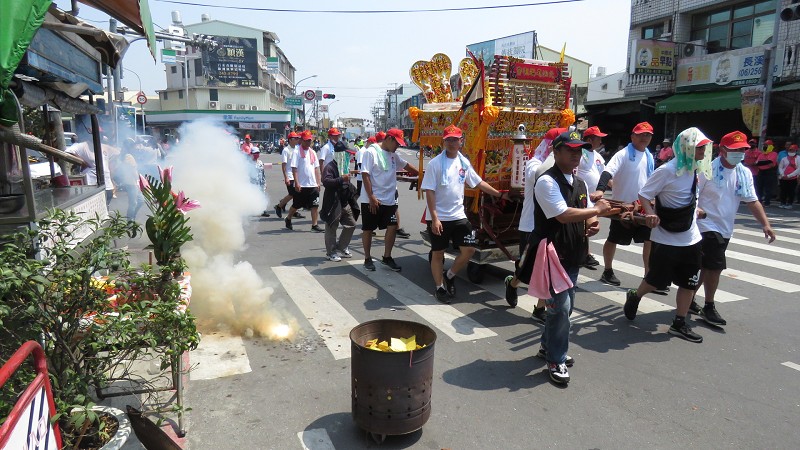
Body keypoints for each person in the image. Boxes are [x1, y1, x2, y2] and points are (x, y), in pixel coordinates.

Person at [505, 130, 610, 385]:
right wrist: (596, 210)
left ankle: (547, 348)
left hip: (573, 251)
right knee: (560, 308)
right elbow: (562, 214)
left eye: (579, 150)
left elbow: (585, 210)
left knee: (565, 307)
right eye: (570, 150)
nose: (576, 155)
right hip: (551, 254)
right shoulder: (546, 181)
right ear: (556, 151)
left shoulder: (580, 183)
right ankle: (555, 359)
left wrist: (593, 221)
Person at [624, 127, 712, 343]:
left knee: (689, 282)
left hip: (691, 238)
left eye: (704, 148)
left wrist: (696, 210)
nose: (704, 152)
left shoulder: (695, 169)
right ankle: (636, 295)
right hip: (666, 237)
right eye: (700, 148)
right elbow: (644, 195)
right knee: (656, 281)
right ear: (687, 148)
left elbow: (690, 197)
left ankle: (679, 322)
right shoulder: (667, 170)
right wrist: (651, 213)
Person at [693, 130, 775, 326]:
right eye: (735, 149)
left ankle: (688, 297)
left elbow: (752, 200)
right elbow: (693, 194)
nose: (740, 153)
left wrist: (765, 224)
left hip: (725, 226)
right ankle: (709, 306)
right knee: (715, 266)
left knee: (705, 267)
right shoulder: (707, 169)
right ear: (722, 149)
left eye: (743, 149)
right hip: (705, 225)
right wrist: (697, 211)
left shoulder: (743, 172)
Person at [421, 125, 505, 303]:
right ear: (443, 142)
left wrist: (499, 194)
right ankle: (439, 288)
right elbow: (429, 191)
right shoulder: (434, 164)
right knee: (438, 253)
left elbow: (477, 182)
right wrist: (434, 218)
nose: (452, 143)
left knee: (469, 250)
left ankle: (449, 275)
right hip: (439, 217)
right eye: (448, 139)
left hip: (458, 216)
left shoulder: (463, 162)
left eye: (455, 139)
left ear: (461, 141)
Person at [592, 122, 657, 290]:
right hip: (623, 207)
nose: (644, 138)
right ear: (632, 136)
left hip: (643, 206)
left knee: (649, 240)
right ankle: (607, 270)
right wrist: (600, 190)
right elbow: (608, 171)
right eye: (641, 134)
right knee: (613, 239)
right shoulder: (623, 154)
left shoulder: (649, 156)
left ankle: (648, 275)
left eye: (648, 135)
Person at [359, 128, 419, 271]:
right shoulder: (370, 152)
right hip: (372, 199)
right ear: (389, 139)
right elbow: (365, 175)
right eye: (397, 143)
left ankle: (387, 257)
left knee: (392, 226)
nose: (398, 147)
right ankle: (367, 258)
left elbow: (406, 165)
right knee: (368, 229)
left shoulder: (393, 155)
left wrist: (423, 174)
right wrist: (371, 197)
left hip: (389, 199)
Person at [321, 140, 360, 261]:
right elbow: (326, 181)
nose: (349, 156)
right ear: (340, 154)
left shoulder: (343, 165)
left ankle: (342, 247)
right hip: (333, 202)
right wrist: (340, 179)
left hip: (344, 201)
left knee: (351, 224)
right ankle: (331, 252)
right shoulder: (330, 167)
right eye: (347, 154)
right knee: (331, 226)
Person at [578, 126, 607, 270]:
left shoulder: (597, 155)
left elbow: (604, 173)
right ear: (589, 139)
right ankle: (585, 254)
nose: (601, 140)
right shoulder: (579, 153)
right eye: (598, 138)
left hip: (593, 198)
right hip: (581, 196)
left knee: (588, 226)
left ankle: (585, 253)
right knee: (583, 225)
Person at [286, 130, 323, 232]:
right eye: (306, 140)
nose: (308, 143)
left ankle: (314, 225)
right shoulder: (297, 152)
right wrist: (296, 182)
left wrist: (318, 182)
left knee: (315, 205)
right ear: (301, 140)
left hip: (312, 184)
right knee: (297, 205)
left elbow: (316, 168)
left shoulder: (313, 152)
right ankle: (288, 218)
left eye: (309, 141)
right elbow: (294, 168)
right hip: (301, 185)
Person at [65, 133, 115, 204]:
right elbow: (68, 152)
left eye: (101, 134)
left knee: (106, 209)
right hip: (92, 185)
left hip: (107, 185)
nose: (99, 135)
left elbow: (117, 153)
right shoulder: (83, 146)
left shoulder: (104, 147)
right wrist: (82, 162)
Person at [274, 132, 304, 219]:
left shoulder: (298, 149)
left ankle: (293, 210)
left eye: (297, 138)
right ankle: (279, 206)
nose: (297, 140)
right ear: (290, 140)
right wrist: (286, 177)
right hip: (290, 175)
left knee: (297, 194)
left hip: (297, 175)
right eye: (295, 138)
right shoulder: (286, 150)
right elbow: (284, 165)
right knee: (292, 193)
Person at [117, 138, 144, 221]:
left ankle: (131, 217)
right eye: (133, 145)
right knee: (134, 202)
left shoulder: (125, 155)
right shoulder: (129, 156)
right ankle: (130, 219)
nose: (135, 147)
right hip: (132, 182)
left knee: (140, 200)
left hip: (130, 182)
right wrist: (138, 181)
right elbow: (133, 171)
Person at [248, 147, 270, 217]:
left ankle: (263, 210)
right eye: (255, 153)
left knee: (262, 196)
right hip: (252, 184)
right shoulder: (249, 163)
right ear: (251, 154)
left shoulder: (260, 162)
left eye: (258, 153)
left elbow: (263, 173)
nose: (256, 154)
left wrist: (265, 183)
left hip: (260, 183)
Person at [755, 139, 778, 206]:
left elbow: (770, 162)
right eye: (764, 145)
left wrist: (763, 162)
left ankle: (767, 202)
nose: (765, 146)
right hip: (761, 172)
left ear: (770, 146)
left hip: (769, 172)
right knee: (759, 187)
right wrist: (765, 162)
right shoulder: (761, 154)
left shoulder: (774, 154)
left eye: (766, 145)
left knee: (768, 188)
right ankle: (759, 201)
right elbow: (757, 163)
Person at [778, 144, 799, 209]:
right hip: (783, 177)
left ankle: (789, 203)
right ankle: (782, 202)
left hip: (793, 178)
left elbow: (798, 169)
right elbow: (780, 167)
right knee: (783, 190)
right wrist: (782, 174)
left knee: (791, 191)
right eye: (790, 150)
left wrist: (789, 176)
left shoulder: (798, 158)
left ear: (796, 150)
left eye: (792, 150)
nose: (791, 151)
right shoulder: (784, 158)